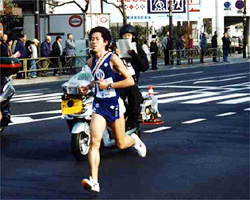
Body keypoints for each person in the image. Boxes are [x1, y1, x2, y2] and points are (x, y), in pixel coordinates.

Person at [79, 26, 147, 193]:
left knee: (121, 143)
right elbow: (97, 80)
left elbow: (130, 81)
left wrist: (109, 84)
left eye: (97, 39)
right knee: (95, 142)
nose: (93, 42)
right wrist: (88, 87)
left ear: (105, 42)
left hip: (115, 104)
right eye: (92, 39)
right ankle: (94, 181)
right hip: (99, 105)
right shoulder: (90, 61)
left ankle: (135, 140)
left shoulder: (113, 59)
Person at [117, 24, 149, 130]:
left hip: (132, 81)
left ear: (133, 37)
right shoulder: (115, 49)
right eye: (124, 36)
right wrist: (115, 54)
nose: (126, 38)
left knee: (135, 100)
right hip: (118, 81)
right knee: (116, 101)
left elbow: (145, 66)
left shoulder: (138, 49)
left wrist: (134, 55)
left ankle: (134, 126)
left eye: (128, 36)